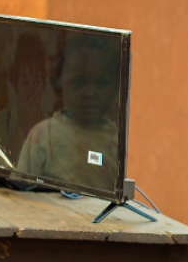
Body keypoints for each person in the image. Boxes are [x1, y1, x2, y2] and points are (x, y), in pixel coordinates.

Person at [16, 36, 121, 192]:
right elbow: (20, 191)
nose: (90, 93)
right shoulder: (43, 136)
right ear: (58, 83)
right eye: (79, 82)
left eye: (100, 83)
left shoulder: (115, 141)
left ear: (115, 88)